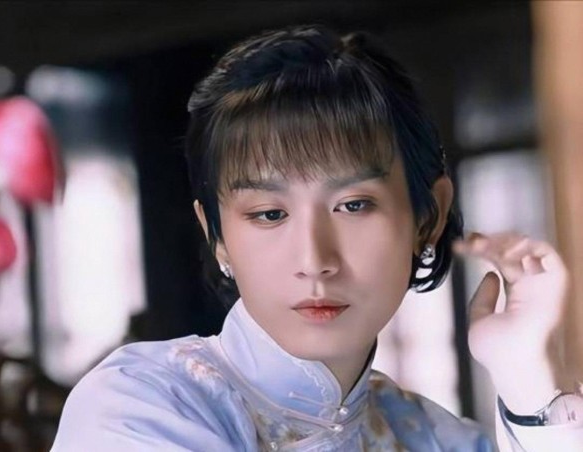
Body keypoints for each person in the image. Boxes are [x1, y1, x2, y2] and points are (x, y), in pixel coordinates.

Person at [51, 25, 583, 451]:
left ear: (428, 216)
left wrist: (532, 388)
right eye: (269, 214)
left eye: (353, 205)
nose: (315, 260)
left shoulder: (437, 438)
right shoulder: (139, 406)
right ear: (216, 235)